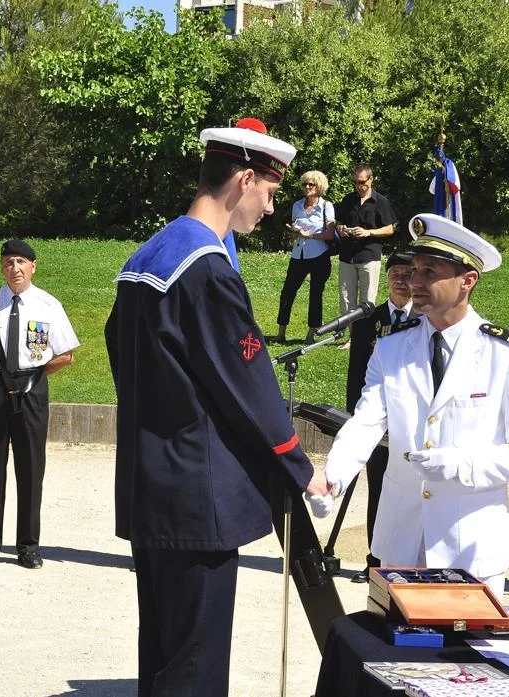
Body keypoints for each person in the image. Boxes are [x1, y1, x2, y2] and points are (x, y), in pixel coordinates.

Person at [105, 117, 332, 697]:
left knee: (161, 653)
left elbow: (120, 352)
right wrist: (299, 466)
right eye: (271, 194)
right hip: (196, 501)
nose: (272, 209)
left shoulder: (148, 254)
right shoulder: (205, 268)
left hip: (151, 486)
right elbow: (248, 381)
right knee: (195, 668)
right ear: (245, 179)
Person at [323, 213, 509, 598]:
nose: (414, 282)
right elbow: (366, 422)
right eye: (413, 270)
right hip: (399, 543)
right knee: (392, 655)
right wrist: (333, 477)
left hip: (470, 548)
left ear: (468, 281)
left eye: (429, 272)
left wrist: (462, 465)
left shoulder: (506, 353)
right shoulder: (392, 348)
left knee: (466, 659)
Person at [0, 240, 79, 570]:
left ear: (33, 266)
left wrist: (35, 375)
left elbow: (66, 355)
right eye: (7, 262)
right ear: (1, 267)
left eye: (20, 262)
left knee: (31, 468)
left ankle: (28, 546)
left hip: (32, 389)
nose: (13, 268)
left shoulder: (48, 305)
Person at [345, 252, 414, 583]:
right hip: (377, 425)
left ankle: (409, 561)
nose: (400, 279)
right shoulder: (366, 321)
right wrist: (352, 419)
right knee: (378, 491)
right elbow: (356, 374)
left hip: (412, 427)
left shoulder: (426, 320)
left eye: (406, 274)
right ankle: (375, 561)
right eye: (395, 274)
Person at [334, 164, 396, 349]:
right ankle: (353, 338)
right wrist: (341, 229)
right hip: (347, 255)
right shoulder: (348, 200)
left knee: (367, 300)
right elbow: (338, 222)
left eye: (362, 182)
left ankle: (365, 337)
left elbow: (390, 228)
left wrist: (369, 233)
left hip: (369, 255)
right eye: (355, 182)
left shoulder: (380, 201)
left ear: (371, 179)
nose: (358, 186)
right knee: (346, 299)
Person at [273, 170, 335, 343]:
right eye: (304, 184)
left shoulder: (326, 206)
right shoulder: (297, 206)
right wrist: (294, 232)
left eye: (311, 184)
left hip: (319, 255)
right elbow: (295, 235)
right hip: (298, 254)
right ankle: (281, 332)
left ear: (319, 186)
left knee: (315, 294)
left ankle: (311, 334)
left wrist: (309, 235)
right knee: (287, 292)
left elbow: (330, 235)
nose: (307, 187)